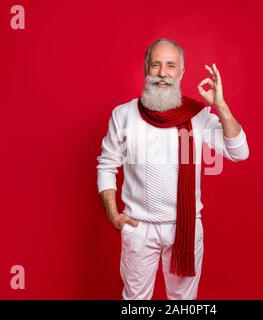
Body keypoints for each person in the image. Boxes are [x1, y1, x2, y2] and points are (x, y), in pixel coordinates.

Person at [97, 38, 249, 300]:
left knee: (182, 304)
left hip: (185, 227)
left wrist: (220, 105)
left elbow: (239, 152)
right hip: (139, 227)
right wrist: (113, 214)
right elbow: (107, 165)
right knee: (134, 303)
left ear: (180, 73)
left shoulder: (197, 116)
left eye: (170, 66)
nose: (162, 73)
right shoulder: (123, 115)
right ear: (146, 70)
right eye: (155, 65)